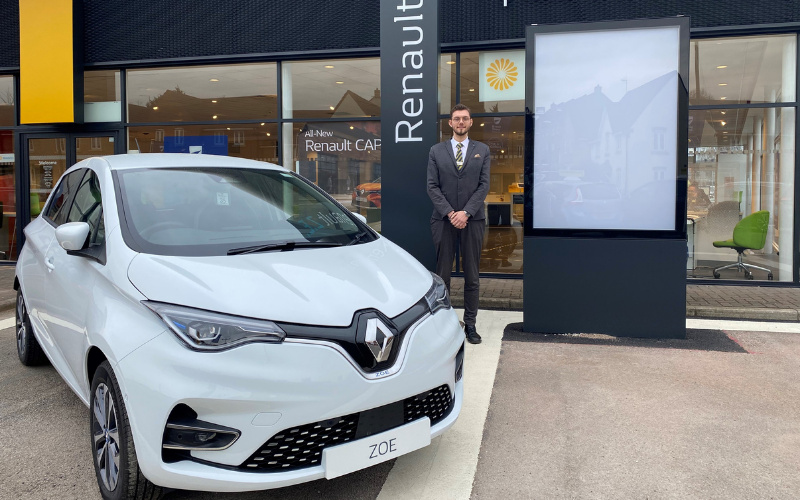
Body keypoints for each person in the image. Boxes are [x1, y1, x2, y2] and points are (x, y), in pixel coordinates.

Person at [427, 104, 490, 344]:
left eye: (465, 118)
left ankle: (470, 325)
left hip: (473, 220)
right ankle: (444, 324)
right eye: (457, 119)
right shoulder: (436, 151)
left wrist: (466, 212)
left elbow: (484, 185)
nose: (461, 122)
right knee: (443, 276)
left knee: (472, 276)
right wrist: (451, 213)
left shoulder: (482, 150)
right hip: (443, 220)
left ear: (471, 122)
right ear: (450, 123)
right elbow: (432, 186)